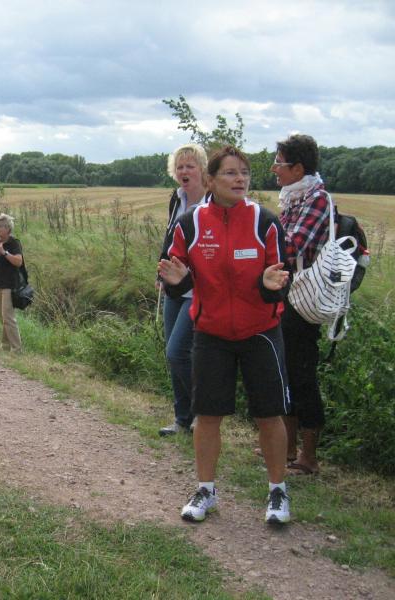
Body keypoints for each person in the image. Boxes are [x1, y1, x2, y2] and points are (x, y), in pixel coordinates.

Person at [158, 146, 292, 525]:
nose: (240, 179)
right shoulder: (191, 224)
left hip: (260, 332)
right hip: (211, 333)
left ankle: (278, 491)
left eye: (244, 173)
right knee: (207, 415)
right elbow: (178, 276)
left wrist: (270, 285)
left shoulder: (266, 222)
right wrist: (177, 282)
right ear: (211, 180)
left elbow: (281, 276)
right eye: (231, 173)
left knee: (269, 415)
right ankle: (206, 490)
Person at [273, 134, 333, 476]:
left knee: (302, 373)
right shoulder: (295, 197)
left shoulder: (317, 199)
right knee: (285, 369)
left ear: (297, 168)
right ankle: (286, 447)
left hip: (303, 297)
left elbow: (291, 247)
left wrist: (259, 240)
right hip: (288, 292)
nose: (274, 168)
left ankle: (308, 457)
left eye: (279, 162)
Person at [157, 143, 209, 436]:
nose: (184, 171)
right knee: (172, 353)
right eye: (180, 167)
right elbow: (170, 238)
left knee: (178, 352)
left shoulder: (213, 202)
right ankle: (182, 419)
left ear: (202, 169)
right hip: (174, 288)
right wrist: (161, 271)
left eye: (190, 166)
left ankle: (205, 412)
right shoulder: (177, 199)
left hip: (199, 290)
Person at [0, 213, 23, 352]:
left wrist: (3, 252)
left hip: (10, 285)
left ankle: (17, 348)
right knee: (1, 316)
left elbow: (18, 262)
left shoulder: (14, 243)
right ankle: (5, 346)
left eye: (0, 226)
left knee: (8, 317)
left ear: (8, 228)